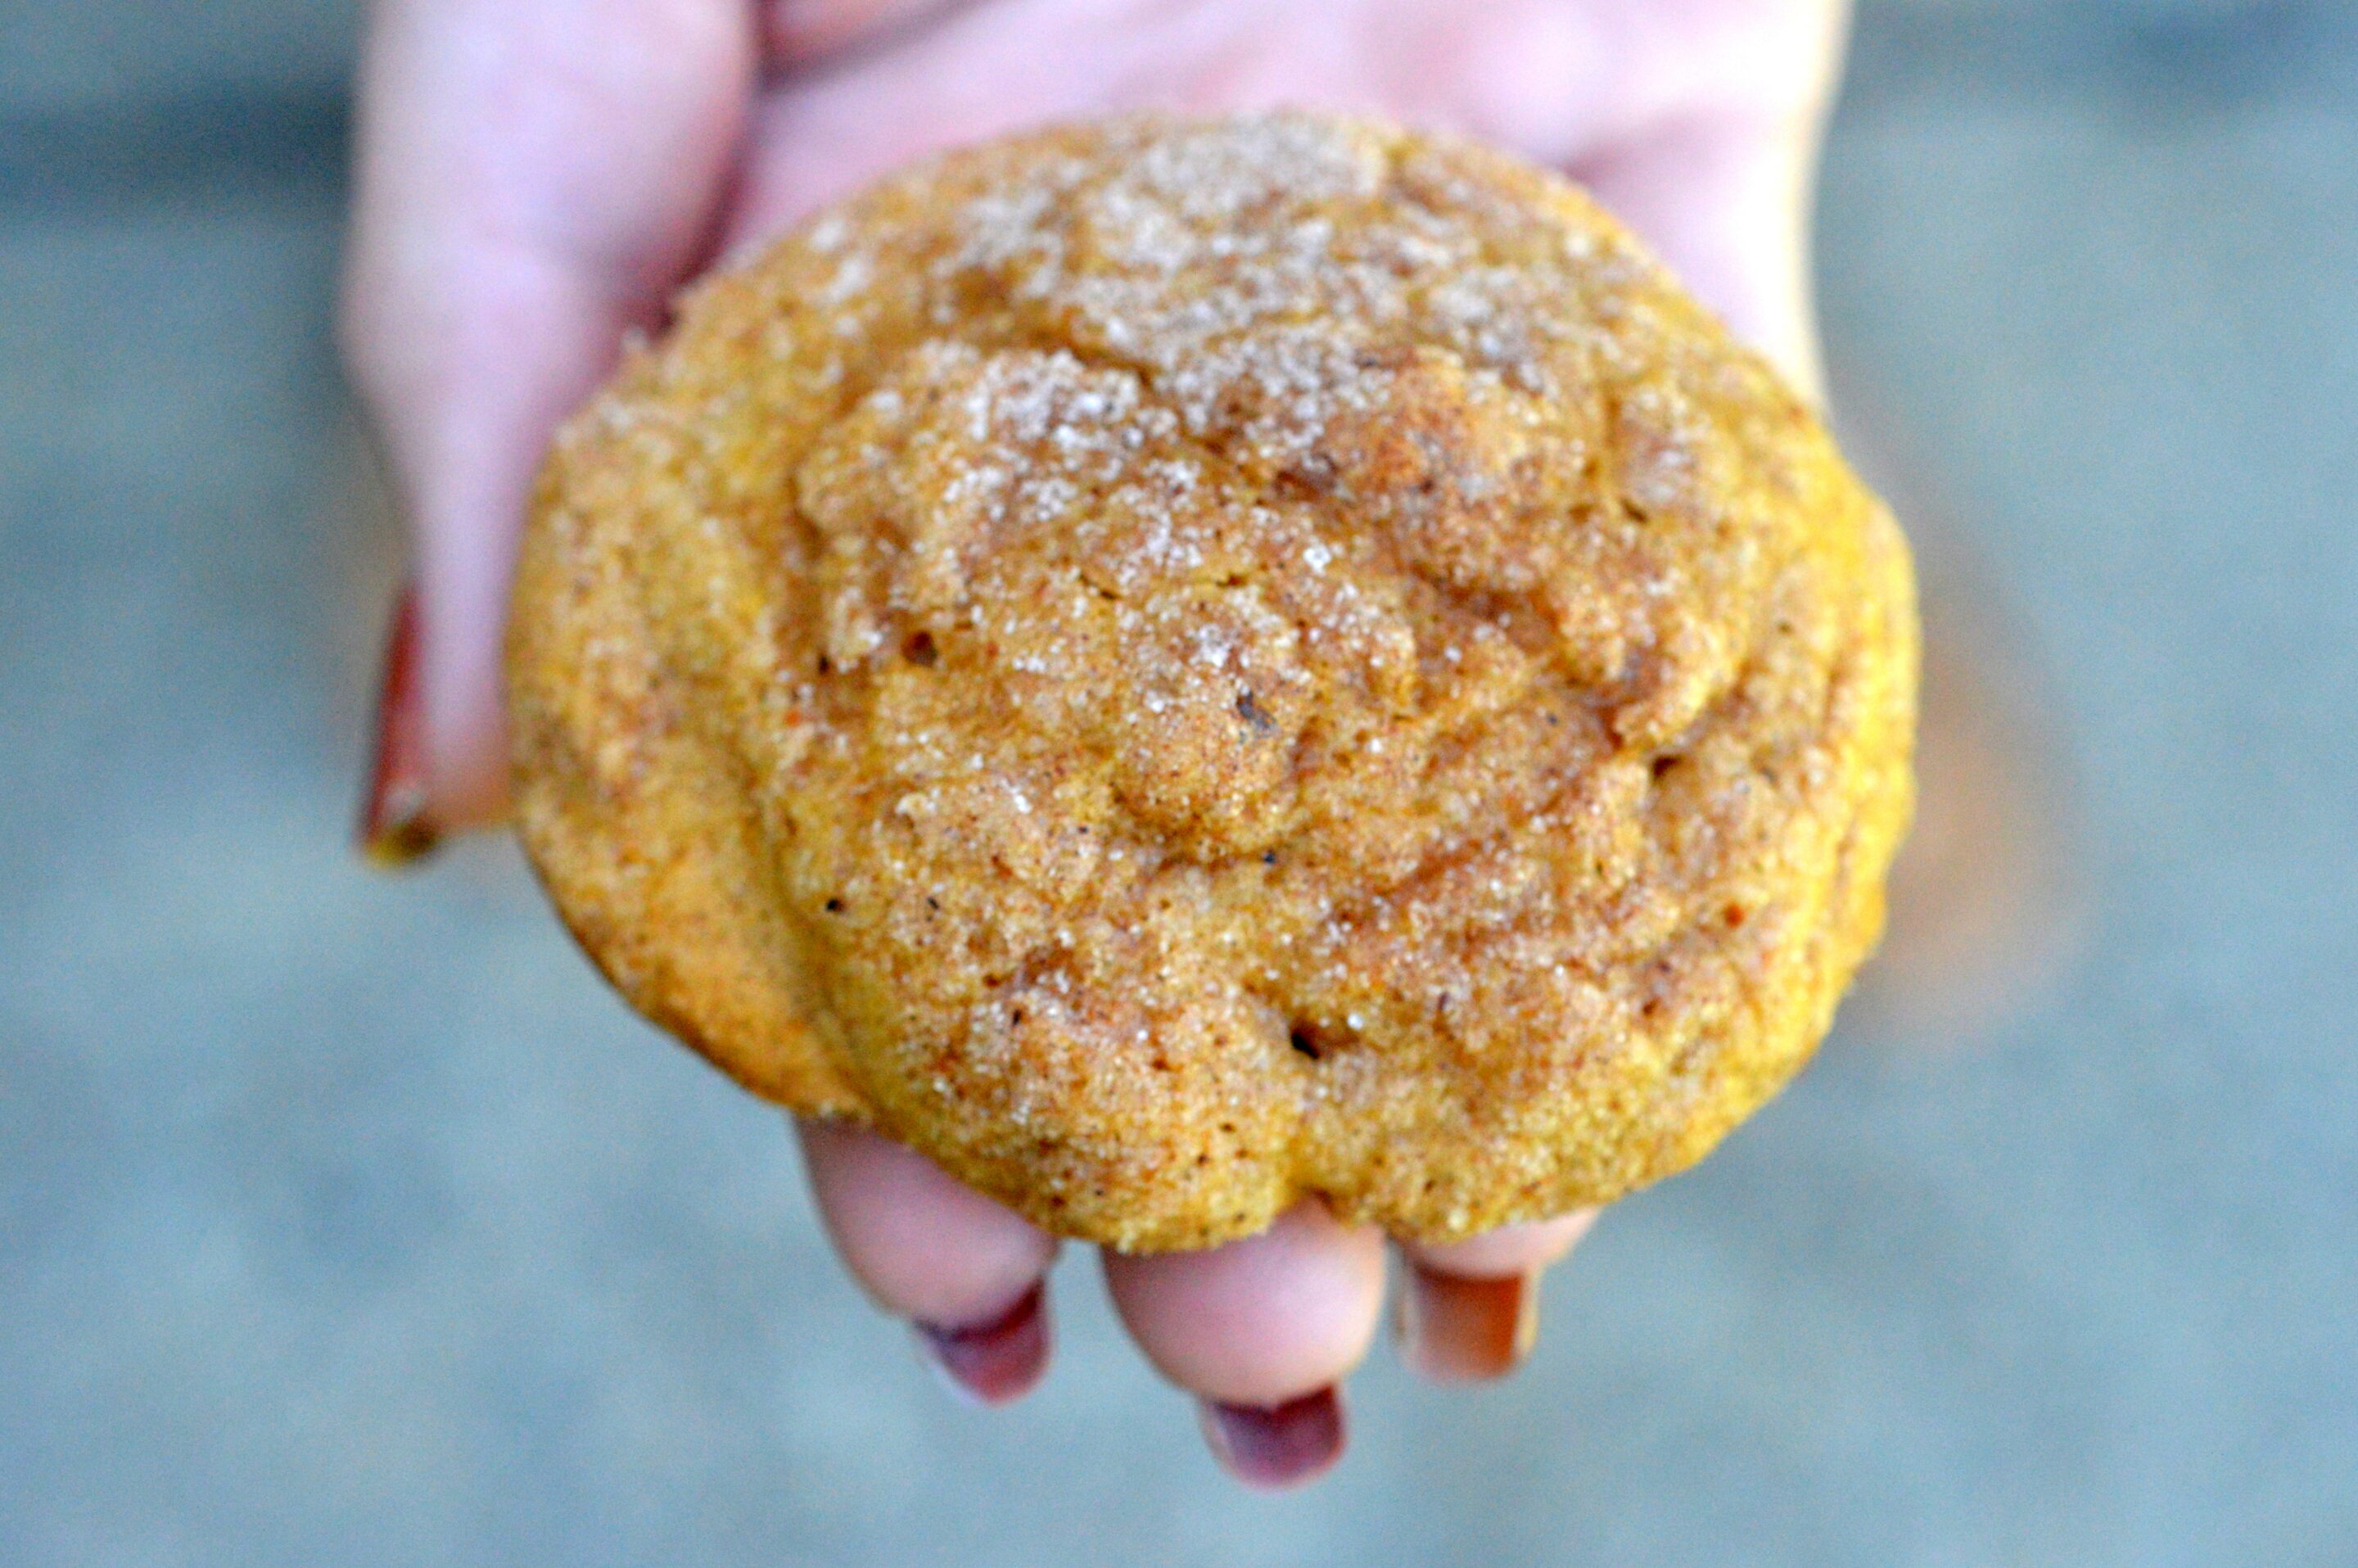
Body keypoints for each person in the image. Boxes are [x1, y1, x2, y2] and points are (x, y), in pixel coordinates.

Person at [341, 0, 1852, 1489]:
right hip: (862, 428)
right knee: (551, 378)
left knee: (1660, 370)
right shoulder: (761, 527)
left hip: (1541, 349)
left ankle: (1749, 539)